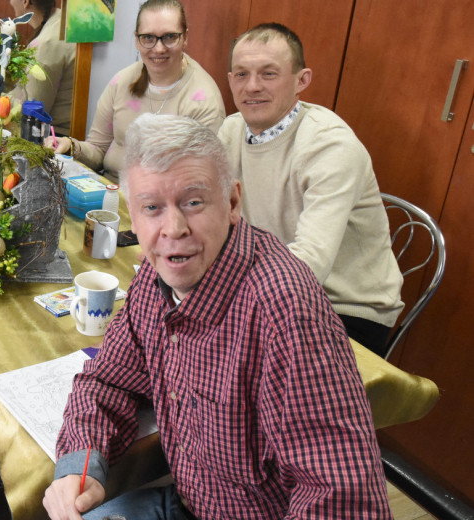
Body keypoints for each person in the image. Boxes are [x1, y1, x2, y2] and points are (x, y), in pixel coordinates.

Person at [43, 114, 391, 520]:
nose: (173, 228)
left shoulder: (285, 310)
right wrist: (79, 468)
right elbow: (106, 382)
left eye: (193, 202)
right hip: (191, 501)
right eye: (151, 207)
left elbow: (341, 499)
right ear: (132, 219)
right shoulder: (156, 280)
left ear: (231, 203)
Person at [218, 23, 403, 356]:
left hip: (343, 307)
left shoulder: (329, 146)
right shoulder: (231, 130)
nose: (253, 86)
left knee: (225, 367)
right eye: (242, 74)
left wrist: (221, 286)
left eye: (269, 74)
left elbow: (309, 265)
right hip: (268, 283)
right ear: (230, 81)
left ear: (301, 81)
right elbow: (206, 209)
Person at [45, 0, 224, 184]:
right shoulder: (122, 82)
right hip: (109, 194)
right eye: (148, 38)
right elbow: (98, 150)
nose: (159, 48)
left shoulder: (204, 100)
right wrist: (70, 146)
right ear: (137, 40)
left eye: (170, 36)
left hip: (163, 205)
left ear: (185, 37)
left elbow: (199, 185)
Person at [7, 0, 76, 135]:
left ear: (26, 2)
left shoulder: (46, 43)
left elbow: (32, 108)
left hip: (55, 138)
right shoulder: (60, 19)